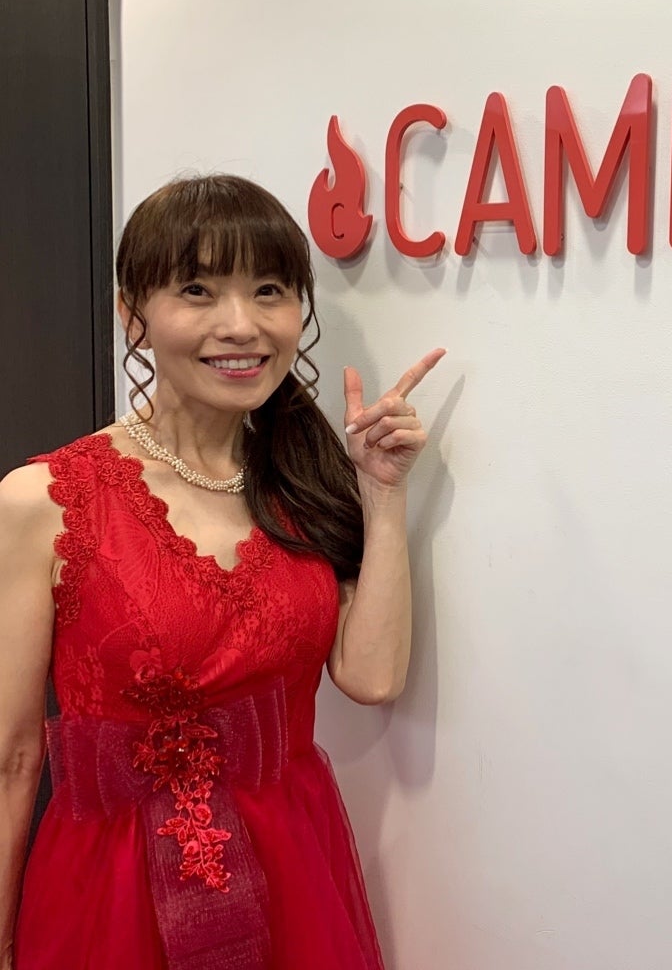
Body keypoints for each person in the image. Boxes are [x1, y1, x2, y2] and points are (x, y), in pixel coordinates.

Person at [0, 173, 445, 969]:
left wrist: (382, 494)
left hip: (292, 875)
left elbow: (372, 676)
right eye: (197, 291)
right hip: (113, 896)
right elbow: (13, 756)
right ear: (133, 314)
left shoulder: (304, 476)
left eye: (269, 290)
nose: (241, 325)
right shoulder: (45, 500)